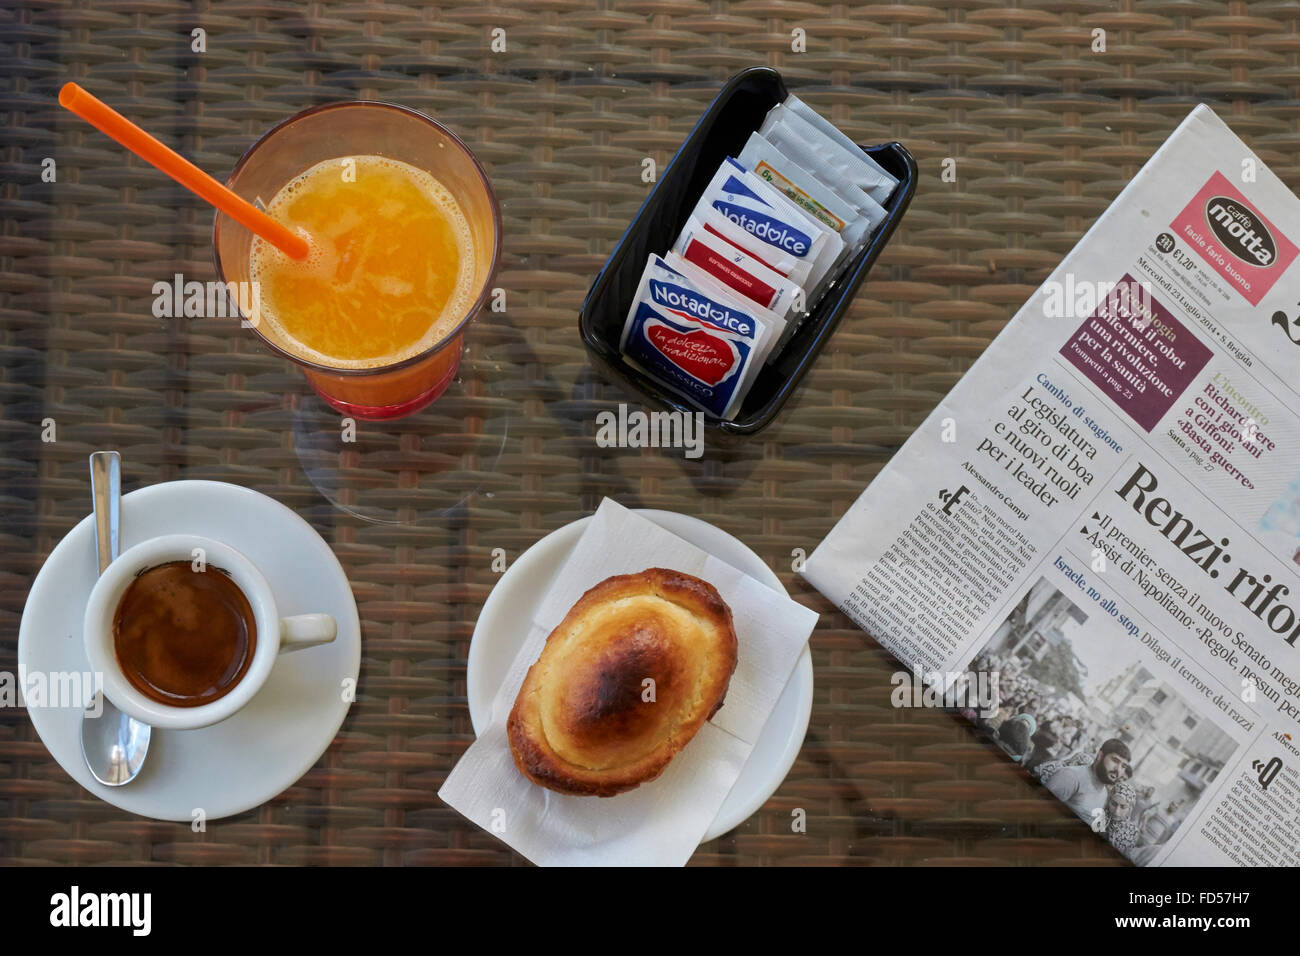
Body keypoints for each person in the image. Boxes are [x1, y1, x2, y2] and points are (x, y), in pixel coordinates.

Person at [1043, 739, 1131, 821]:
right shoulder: (1071, 776)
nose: (1118, 769)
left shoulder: (1104, 793)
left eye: (1123, 766)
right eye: (1115, 760)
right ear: (1100, 755)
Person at [1105, 781, 1141, 854]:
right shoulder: (1097, 817)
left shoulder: (1133, 832)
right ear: (1109, 801)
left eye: (1123, 807)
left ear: (1130, 808)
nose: (1116, 811)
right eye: (1113, 804)